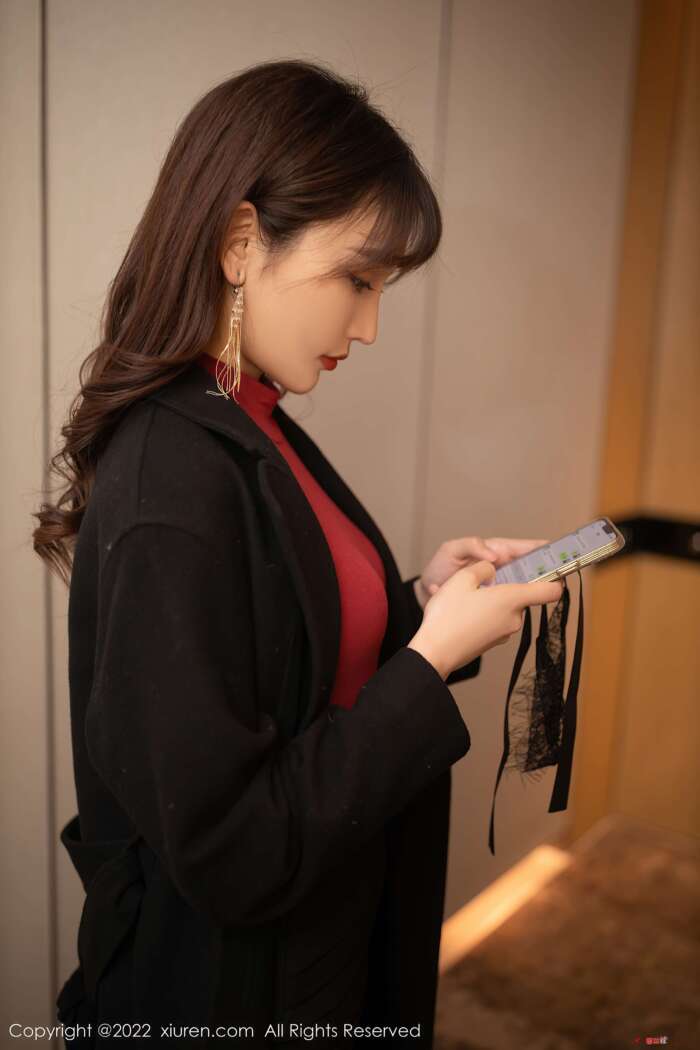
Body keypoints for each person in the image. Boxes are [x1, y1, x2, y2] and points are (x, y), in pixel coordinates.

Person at [32, 59, 563, 1049]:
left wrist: (420, 603)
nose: (368, 325)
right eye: (356, 280)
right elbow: (234, 850)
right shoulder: (172, 476)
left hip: (324, 947)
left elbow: (284, 647)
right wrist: (429, 661)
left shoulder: (250, 416)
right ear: (241, 243)